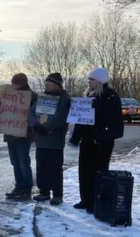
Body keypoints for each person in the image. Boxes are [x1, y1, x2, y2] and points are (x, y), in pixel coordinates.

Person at [69, 68, 123, 214]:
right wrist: (75, 138)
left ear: (99, 81)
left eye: (91, 79)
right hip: (87, 141)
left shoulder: (110, 97)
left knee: (98, 173)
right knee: (84, 171)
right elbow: (80, 121)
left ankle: (96, 202)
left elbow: (114, 122)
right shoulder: (87, 97)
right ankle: (86, 200)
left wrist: (102, 135)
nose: (89, 82)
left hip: (101, 143)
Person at [29, 73, 71, 205]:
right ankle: (44, 191)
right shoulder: (43, 97)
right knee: (42, 167)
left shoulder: (64, 98)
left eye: (49, 82)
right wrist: (35, 124)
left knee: (55, 168)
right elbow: (31, 112)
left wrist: (45, 127)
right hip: (41, 139)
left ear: (57, 84)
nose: (46, 84)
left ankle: (57, 194)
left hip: (55, 139)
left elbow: (60, 117)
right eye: (46, 82)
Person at [5, 73, 38, 201]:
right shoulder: (10, 96)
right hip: (10, 134)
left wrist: (31, 126)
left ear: (21, 84)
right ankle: (19, 186)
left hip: (24, 135)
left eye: (14, 83)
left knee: (23, 162)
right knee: (15, 163)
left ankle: (27, 188)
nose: (12, 85)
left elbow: (36, 117)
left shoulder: (32, 96)